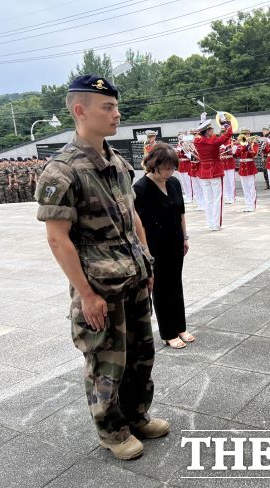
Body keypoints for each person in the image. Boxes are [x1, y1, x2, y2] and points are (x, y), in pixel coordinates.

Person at [34, 75, 169, 461]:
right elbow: (58, 239)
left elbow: (133, 217)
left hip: (134, 275)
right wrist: (87, 295)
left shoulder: (116, 162)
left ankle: (136, 415)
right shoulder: (62, 171)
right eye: (107, 107)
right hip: (100, 285)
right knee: (107, 360)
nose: (116, 113)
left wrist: (147, 261)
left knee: (141, 353)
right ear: (80, 111)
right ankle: (112, 431)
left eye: (115, 106)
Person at [133, 143, 194, 349]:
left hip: (176, 242)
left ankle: (180, 326)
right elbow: (138, 223)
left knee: (176, 284)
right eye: (164, 169)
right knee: (161, 288)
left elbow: (180, 212)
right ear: (153, 165)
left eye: (172, 168)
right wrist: (145, 251)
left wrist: (185, 237)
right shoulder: (140, 189)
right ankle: (168, 332)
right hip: (155, 246)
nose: (168, 173)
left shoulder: (174, 183)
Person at [193, 113, 233, 230]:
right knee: (217, 199)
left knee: (208, 199)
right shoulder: (214, 141)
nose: (213, 131)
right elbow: (229, 133)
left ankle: (210, 223)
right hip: (215, 170)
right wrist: (225, 121)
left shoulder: (197, 141)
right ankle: (216, 224)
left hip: (203, 172)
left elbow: (200, 133)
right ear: (207, 131)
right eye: (211, 129)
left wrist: (202, 121)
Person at [234, 127, 259, 212]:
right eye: (243, 134)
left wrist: (248, 147)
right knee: (245, 188)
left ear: (249, 134)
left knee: (251, 187)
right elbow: (236, 155)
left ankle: (252, 205)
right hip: (242, 167)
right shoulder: (239, 144)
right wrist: (237, 147)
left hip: (250, 166)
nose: (245, 136)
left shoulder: (253, 143)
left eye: (246, 134)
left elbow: (254, 154)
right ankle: (248, 204)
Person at [174, 130, 193, 204]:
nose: (180, 137)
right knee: (184, 182)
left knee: (188, 182)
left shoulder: (187, 144)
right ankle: (187, 195)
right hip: (181, 165)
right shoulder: (178, 145)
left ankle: (191, 196)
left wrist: (182, 150)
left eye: (181, 135)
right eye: (179, 136)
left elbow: (189, 154)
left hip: (187, 163)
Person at [220, 130, 237, 204]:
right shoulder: (220, 142)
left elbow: (232, 152)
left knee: (231, 181)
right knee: (225, 181)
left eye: (224, 133)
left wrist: (226, 148)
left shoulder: (232, 141)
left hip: (230, 163)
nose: (223, 135)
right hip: (223, 163)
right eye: (222, 133)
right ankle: (227, 196)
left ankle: (232, 197)